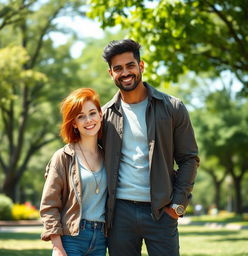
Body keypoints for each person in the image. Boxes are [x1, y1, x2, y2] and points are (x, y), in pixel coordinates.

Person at [101, 39, 200, 256]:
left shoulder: (173, 108)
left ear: (141, 66)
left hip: (161, 211)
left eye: (130, 65)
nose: (125, 73)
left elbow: (189, 158)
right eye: (118, 68)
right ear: (111, 74)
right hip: (119, 215)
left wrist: (178, 204)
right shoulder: (104, 115)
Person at [40, 88, 107, 256]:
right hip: (72, 237)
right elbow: (49, 205)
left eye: (92, 113)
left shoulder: (109, 156)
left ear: (100, 115)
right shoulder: (63, 157)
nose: (88, 120)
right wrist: (57, 246)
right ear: (74, 123)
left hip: (101, 239)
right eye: (81, 116)